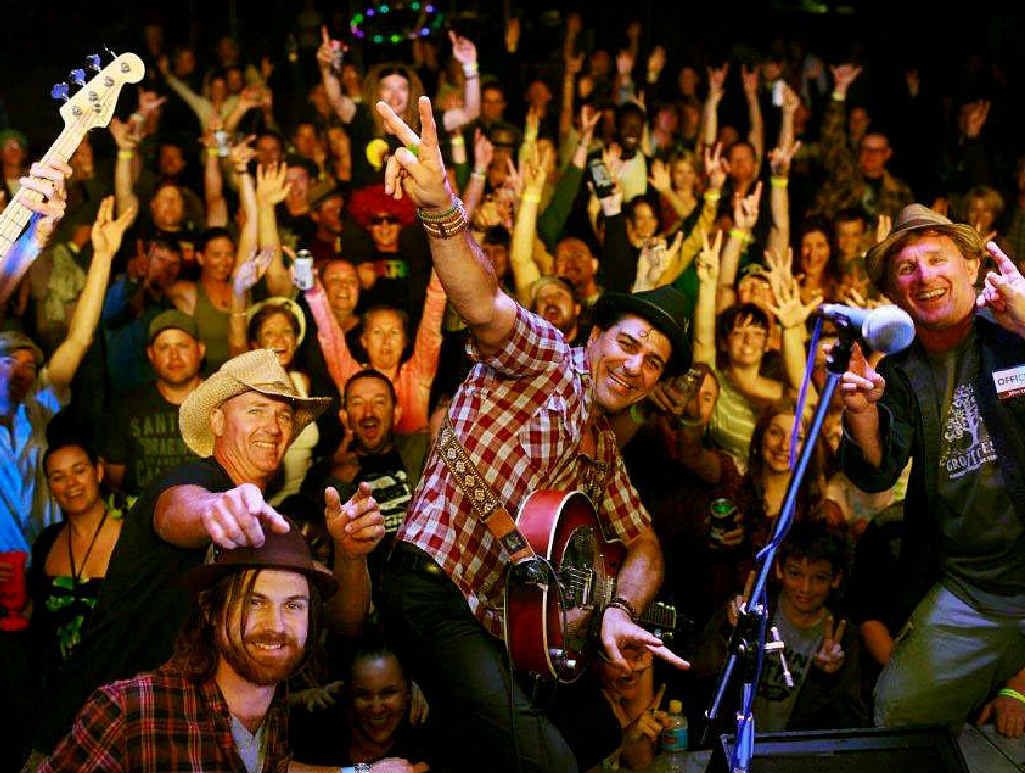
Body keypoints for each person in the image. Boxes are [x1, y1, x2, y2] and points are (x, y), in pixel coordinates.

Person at [374, 95, 689, 772]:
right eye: (627, 343)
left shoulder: (602, 449)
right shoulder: (545, 354)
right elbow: (480, 302)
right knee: (549, 762)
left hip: (500, 631)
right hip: (431, 584)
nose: (634, 366)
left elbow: (644, 543)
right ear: (594, 333)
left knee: (566, 744)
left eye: (653, 362)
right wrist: (439, 208)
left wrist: (617, 610)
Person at [35, 349, 386, 754]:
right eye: (256, 409)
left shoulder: (272, 526)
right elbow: (177, 510)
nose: (273, 426)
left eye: (284, 416)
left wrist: (351, 553)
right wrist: (212, 512)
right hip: (85, 740)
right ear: (217, 420)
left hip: (173, 745)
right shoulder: (191, 483)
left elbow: (345, 624)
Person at [839, 203, 1025, 730]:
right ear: (896, 296)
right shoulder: (898, 368)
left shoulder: (1013, 326)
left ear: (971, 266)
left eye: (937, 259)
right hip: (971, 587)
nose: (924, 276)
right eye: (907, 268)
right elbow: (875, 471)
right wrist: (862, 413)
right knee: (897, 711)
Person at [39, 523, 345, 772]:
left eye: (293, 605)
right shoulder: (130, 711)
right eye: (254, 602)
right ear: (210, 610)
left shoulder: (273, 711)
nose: (276, 625)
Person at [693, 521, 867, 733]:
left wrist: (826, 677)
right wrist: (731, 632)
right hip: (736, 746)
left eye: (818, 578)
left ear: (836, 579)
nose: (805, 588)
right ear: (779, 569)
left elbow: (850, 723)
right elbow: (700, 672)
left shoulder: (842, 636)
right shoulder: (750, 610)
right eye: (796, 574)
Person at [103, 310, 203, 495]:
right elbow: (113, 478)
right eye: (164, 347)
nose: (174, 355)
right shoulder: (127, 408)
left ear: (200, 350)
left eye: (182, 345)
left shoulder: (223, 404)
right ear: (151, 354)